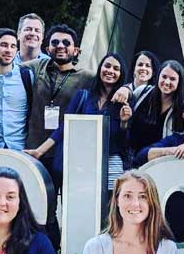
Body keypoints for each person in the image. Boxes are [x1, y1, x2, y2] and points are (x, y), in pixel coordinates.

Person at [21, 23, 96, 248]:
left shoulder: (88, 78)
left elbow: (114, 82)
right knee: (43, 204)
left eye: (66, 43)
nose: (60, 46)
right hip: (36, 151)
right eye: (55, 42)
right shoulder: (37, 67)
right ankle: (47, 249)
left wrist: (126, 90)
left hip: (69, 153)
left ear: (76, 50)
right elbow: (7, 64)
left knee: (71, 205)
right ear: (47, 47)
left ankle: (69, 252)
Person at [26, 52, 129, 190]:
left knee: (109, 207)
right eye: (107, 66)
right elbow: (64, 127)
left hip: (110, 162)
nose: (110, 71)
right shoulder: (83, 96)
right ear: (100, 69)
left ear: (121, 74)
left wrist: (124, 122)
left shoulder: (125, 100)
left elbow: (124, 141)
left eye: (116, 69)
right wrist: (40, 151)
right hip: (82, 162)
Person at [123, 59, 184, 157]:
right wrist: (125, 89)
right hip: (131, 159)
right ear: (158, 76)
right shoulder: (143, 92)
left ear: (179, 82)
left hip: (159, 163)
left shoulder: (183, 109)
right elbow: (127, 93)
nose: (167, 82)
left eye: (172, 79)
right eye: (164, 77)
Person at [0, 28, 34, 151]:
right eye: (4, 45)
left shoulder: (27, 76)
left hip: (20, 148)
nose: (9, 50)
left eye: (13, 46)